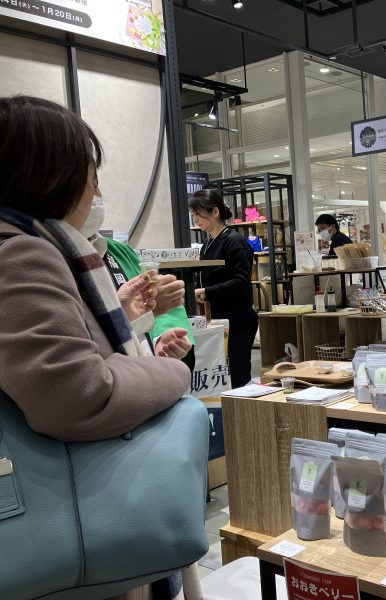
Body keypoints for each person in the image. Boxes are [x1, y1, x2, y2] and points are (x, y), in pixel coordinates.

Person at [0, 95, 192, 599]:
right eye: (91, 176)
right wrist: (172, 375)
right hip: (74, 527)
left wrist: (132, 335)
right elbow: (77, 395)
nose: (96, 191)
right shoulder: (22, 254)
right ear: (50, 176)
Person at [79, 195, 195, 367]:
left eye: (96, 184)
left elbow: (155, 303)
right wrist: (128, 314)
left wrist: (160, 338)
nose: (95, 195)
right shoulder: (51, 260)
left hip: (144, 369)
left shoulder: (120, 251)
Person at [191, 189, 258, 389]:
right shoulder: (208, 243)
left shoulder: (234, 241)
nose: (195, 219)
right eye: (193, 214)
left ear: (215, 212)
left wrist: (206, 292)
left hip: (237, 319)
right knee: (221, 376)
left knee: (237, 376)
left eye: (198, 214)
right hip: (218, 319)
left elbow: (241, 281)